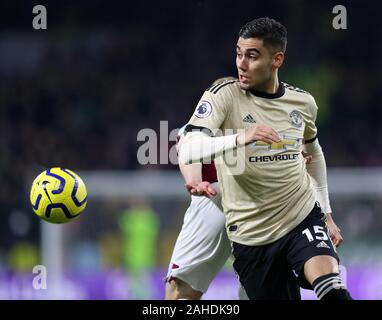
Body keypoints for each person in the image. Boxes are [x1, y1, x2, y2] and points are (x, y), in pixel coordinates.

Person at [179, 17, 351, 300]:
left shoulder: (303, 103)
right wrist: (241, 137)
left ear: (277, 59)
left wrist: (326, 213)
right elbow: (188, 149)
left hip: (301, 217)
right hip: (251, 235)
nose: (241, 64)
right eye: (238, 53)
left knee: (332, 288)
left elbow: (314, 152)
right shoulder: (223, 95)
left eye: (252, 56)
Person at [165, 77, 248, 300]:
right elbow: (188, 153)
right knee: (258, 287)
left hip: (214, 201)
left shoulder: (198, 127)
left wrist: (196, 181)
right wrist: (194, 179)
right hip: (253, 205)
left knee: (181, 290)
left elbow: (187, 149)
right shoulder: (257, 125)